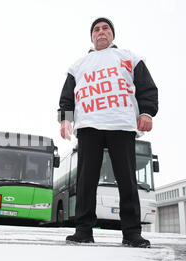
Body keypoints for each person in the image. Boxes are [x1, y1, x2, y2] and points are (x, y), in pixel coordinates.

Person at [57, 17, 158, 247]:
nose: (101, 32)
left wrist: (147, 112)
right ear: (91, 36)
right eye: (96, 29)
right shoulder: (78, 65)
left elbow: (146, 86)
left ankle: (132, 233)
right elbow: (67, 97)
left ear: (112, 35)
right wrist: (65, 120)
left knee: (127, 180)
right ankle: (83, 230)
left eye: (105, 29)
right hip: (89, 125)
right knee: (86, 181)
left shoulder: (129, 57)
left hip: (120, 123)